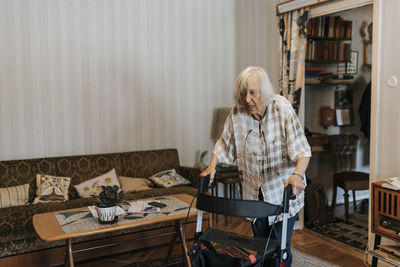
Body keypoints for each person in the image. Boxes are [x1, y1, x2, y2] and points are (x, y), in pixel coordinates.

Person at [200, 66, 311, 267]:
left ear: (264, 92)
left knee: (280, 250)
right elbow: (225, 142)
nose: (247, 99)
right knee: (261, 248)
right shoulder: (236, 114)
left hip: (282, 193)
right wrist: (212, 165)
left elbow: (302, 150)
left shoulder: (282, 108)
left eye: (252, 93)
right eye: (243, 93)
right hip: (253, 194)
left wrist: (297, 174)